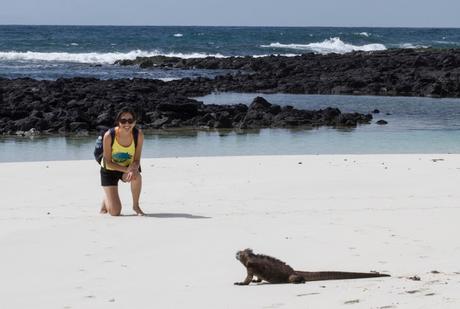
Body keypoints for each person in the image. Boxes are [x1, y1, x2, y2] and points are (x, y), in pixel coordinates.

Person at [100, 108, 145, 216]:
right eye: (123, 120)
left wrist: (133, 169)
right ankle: (107, 198)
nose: (127, 124)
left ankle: (136, 205)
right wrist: (127, 169)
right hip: (109, 171)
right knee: (115, 212)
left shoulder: (138, 135)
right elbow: (108, 163)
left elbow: (137, 160)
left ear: (134, 122)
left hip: (126, 169)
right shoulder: (109, 136)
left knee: (137, 176)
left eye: (130, 120)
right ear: (118, 121)